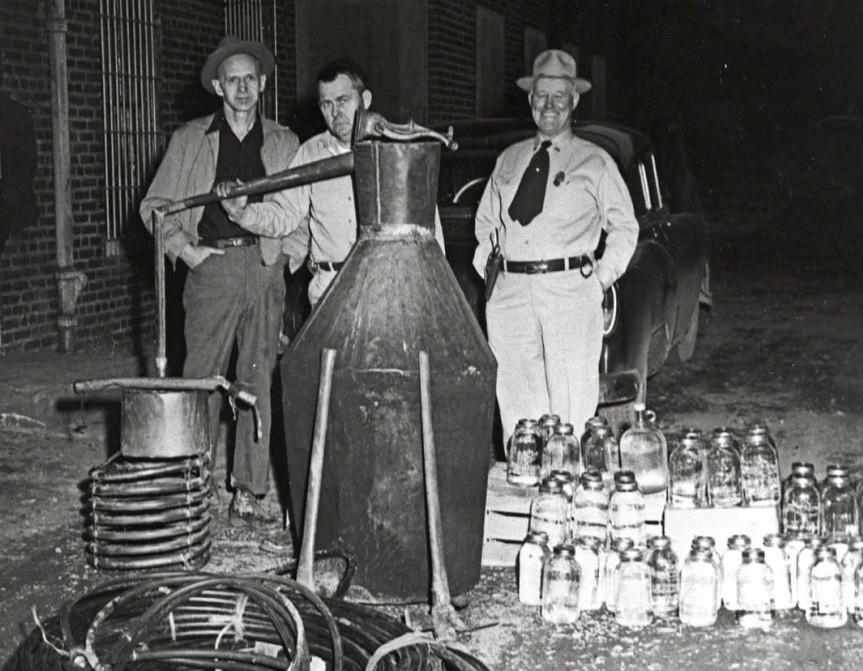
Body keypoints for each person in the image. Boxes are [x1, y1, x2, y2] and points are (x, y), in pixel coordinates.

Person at [140, 36, 299, 533]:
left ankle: (249, 492)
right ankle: (192, 481)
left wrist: (286, 259)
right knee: (201, 378)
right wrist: (186, 251)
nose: (244, 88)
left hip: (264, 267)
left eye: (251, 78)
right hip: (212, 270)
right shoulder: (192, 138)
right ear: (217, 86)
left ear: (263, 83)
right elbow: (155, 206)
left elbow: (299, 211)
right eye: (234, 80)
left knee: (256, 382)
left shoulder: (283, 141)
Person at [472, 49, 639, 451]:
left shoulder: (595, 161)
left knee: (569, 400)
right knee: (516, 400)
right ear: (530, 101)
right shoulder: (508, 160)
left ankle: (569, 488)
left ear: (574, 101)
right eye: (541, 96)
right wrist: (493, 278)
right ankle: (526, 484)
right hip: (511, 295)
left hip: (569, 291)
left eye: (558, 97)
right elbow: (485, 225)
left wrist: (597, 280)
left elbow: (625, 227)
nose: (548, 106)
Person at [218, 59, 445, 307]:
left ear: (365, 99)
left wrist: (433, 290)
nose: (336, 113)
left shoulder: (396, 151)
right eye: (327, 104)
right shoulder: (310, 153)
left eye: (344, 100)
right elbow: (284, 214)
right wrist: (241, 212)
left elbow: (428, 231)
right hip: (329, 290)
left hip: (390, 288)